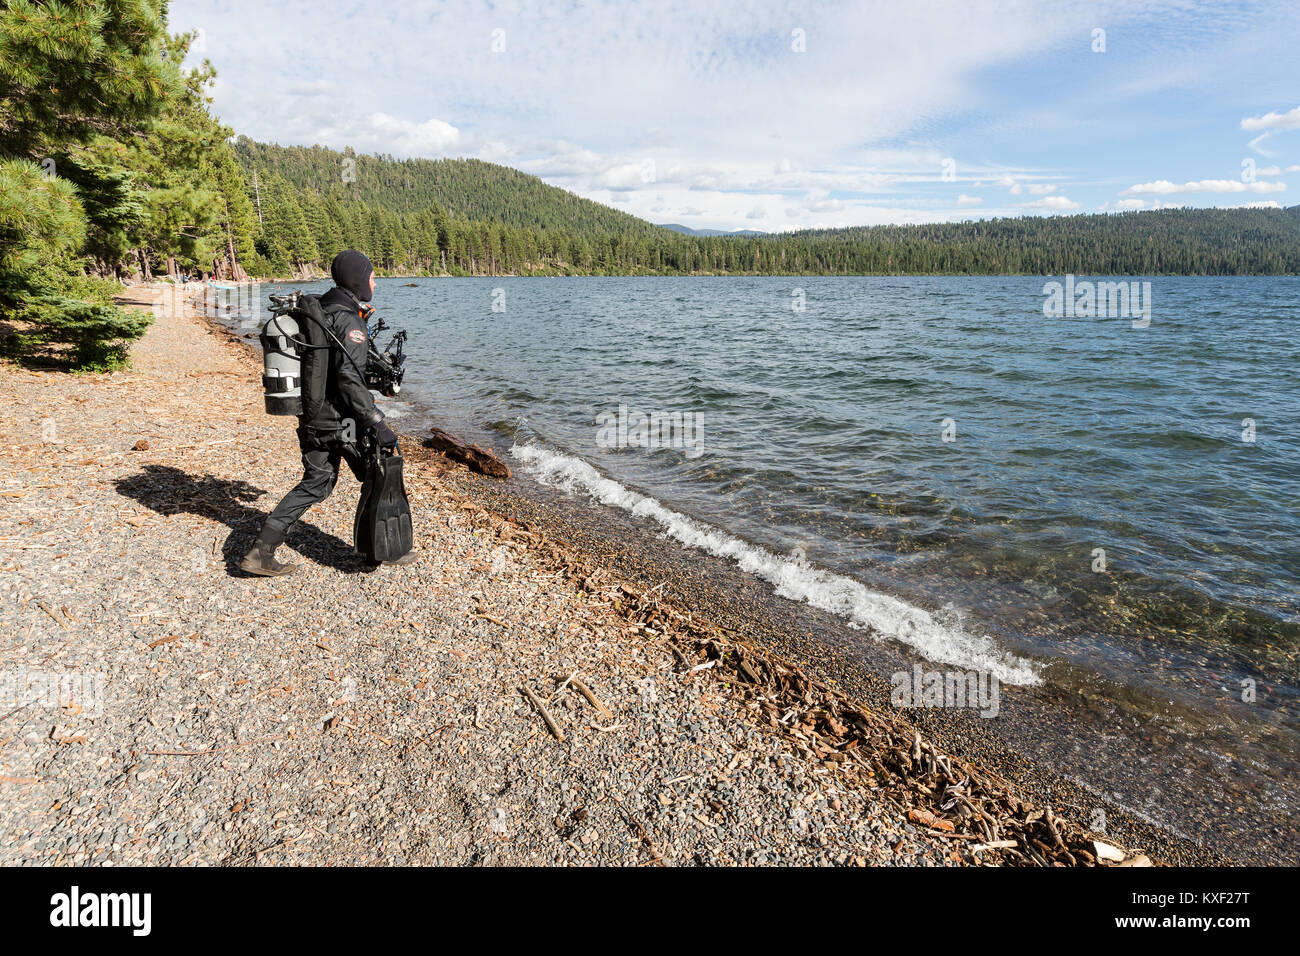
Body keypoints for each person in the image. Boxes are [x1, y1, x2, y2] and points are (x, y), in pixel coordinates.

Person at [240, 250, 414, 575]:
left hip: (312, 414)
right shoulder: (349, 321)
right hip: (340, 421)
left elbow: (340, 371)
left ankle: (260, 552)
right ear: (358, 279)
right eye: (372, 276)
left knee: (317, 481)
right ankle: (381, 550)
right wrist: (377, 422)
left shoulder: (325, 311)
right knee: (378, 472)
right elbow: (348, 380)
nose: (375, 283)